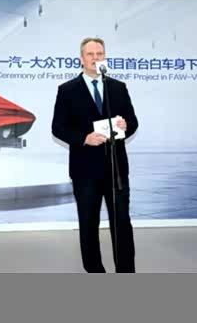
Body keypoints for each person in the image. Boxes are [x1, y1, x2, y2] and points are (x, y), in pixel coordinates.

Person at [52, 37, 138, 273]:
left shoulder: (117, 87)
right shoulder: (67, 90)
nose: (95, 58)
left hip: (116, 169)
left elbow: (133, 121)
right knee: (89, 223)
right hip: (85, 170)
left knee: (122, 223)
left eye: (100, 54)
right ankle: (95, 271)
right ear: (81, 59)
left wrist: (126, 125)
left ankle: (126, 271)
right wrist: (84, 138)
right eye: (90, 54)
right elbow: (58, 128)